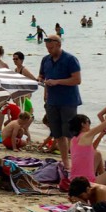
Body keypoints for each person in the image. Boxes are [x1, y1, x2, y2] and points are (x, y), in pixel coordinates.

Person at [37, 35, 81, 170]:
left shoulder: (70, 59)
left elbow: (77, 80)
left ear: (58, 45)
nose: (49, 50)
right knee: (57, 133)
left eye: (51, 47)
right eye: (47, 48)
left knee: (70, 133)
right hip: (51, 101)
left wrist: (57, 82)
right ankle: (65, 161)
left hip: (68, 101)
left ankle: (75, 161)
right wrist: (40, 80)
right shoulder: (45, 60)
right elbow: (41, 76)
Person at [69, 114, 106, 186]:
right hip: (87, 183)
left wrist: (100, 135)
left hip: (74, 181)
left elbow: (91, 149)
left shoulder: (73, 140)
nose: (89, 124)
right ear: (83, 124)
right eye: (88, 122)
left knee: (97, 154)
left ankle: (103, 176)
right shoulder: (87, 135)